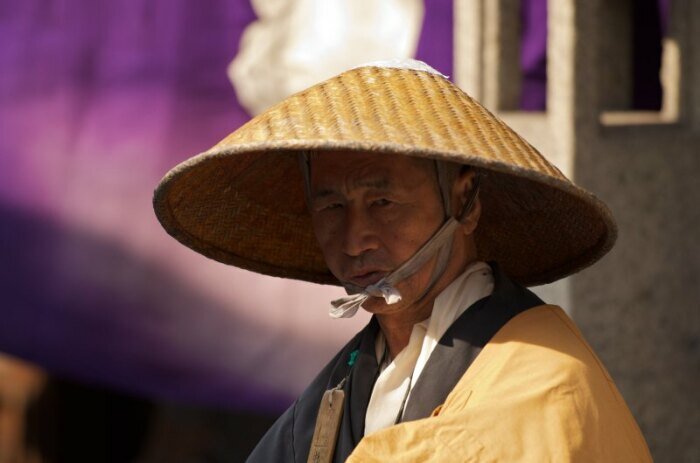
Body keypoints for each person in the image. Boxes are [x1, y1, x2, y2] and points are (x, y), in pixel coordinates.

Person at [153, 60, 652, 462]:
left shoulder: (542, 382)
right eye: (331, 207)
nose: (354, 239)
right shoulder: (352, 378)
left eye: (383, 203)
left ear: (465, 201)